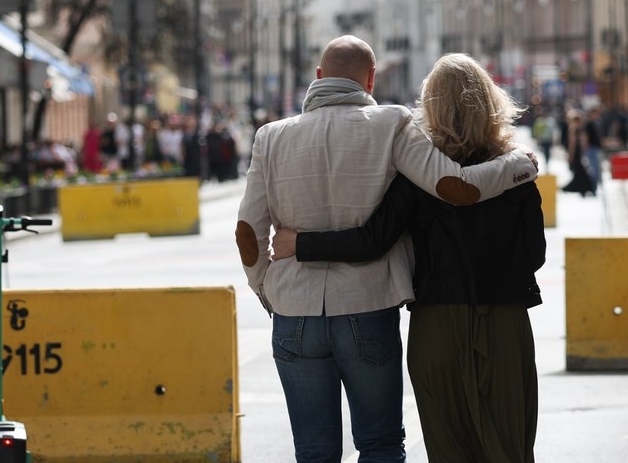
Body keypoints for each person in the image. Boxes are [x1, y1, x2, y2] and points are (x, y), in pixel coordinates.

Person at [236, 37, 537, 461]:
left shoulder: (270, 137)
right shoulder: (390, 123)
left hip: (294, 312)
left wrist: (266, 288)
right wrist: (518, 165)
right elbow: (454, 187)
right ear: (371, 78)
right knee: (379, 443)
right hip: (367, 305)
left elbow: (248, 232)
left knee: (313, 449)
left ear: (318, 77)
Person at [562, 111, 595, 196]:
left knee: (579, 172)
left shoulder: (574, 129)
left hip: (576, 153)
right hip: (577, 153)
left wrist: (570, 155)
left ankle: (580, 188)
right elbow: (578, 143)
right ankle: (582, 188)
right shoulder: (577, 129)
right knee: (580, 171)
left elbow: (572, 144)